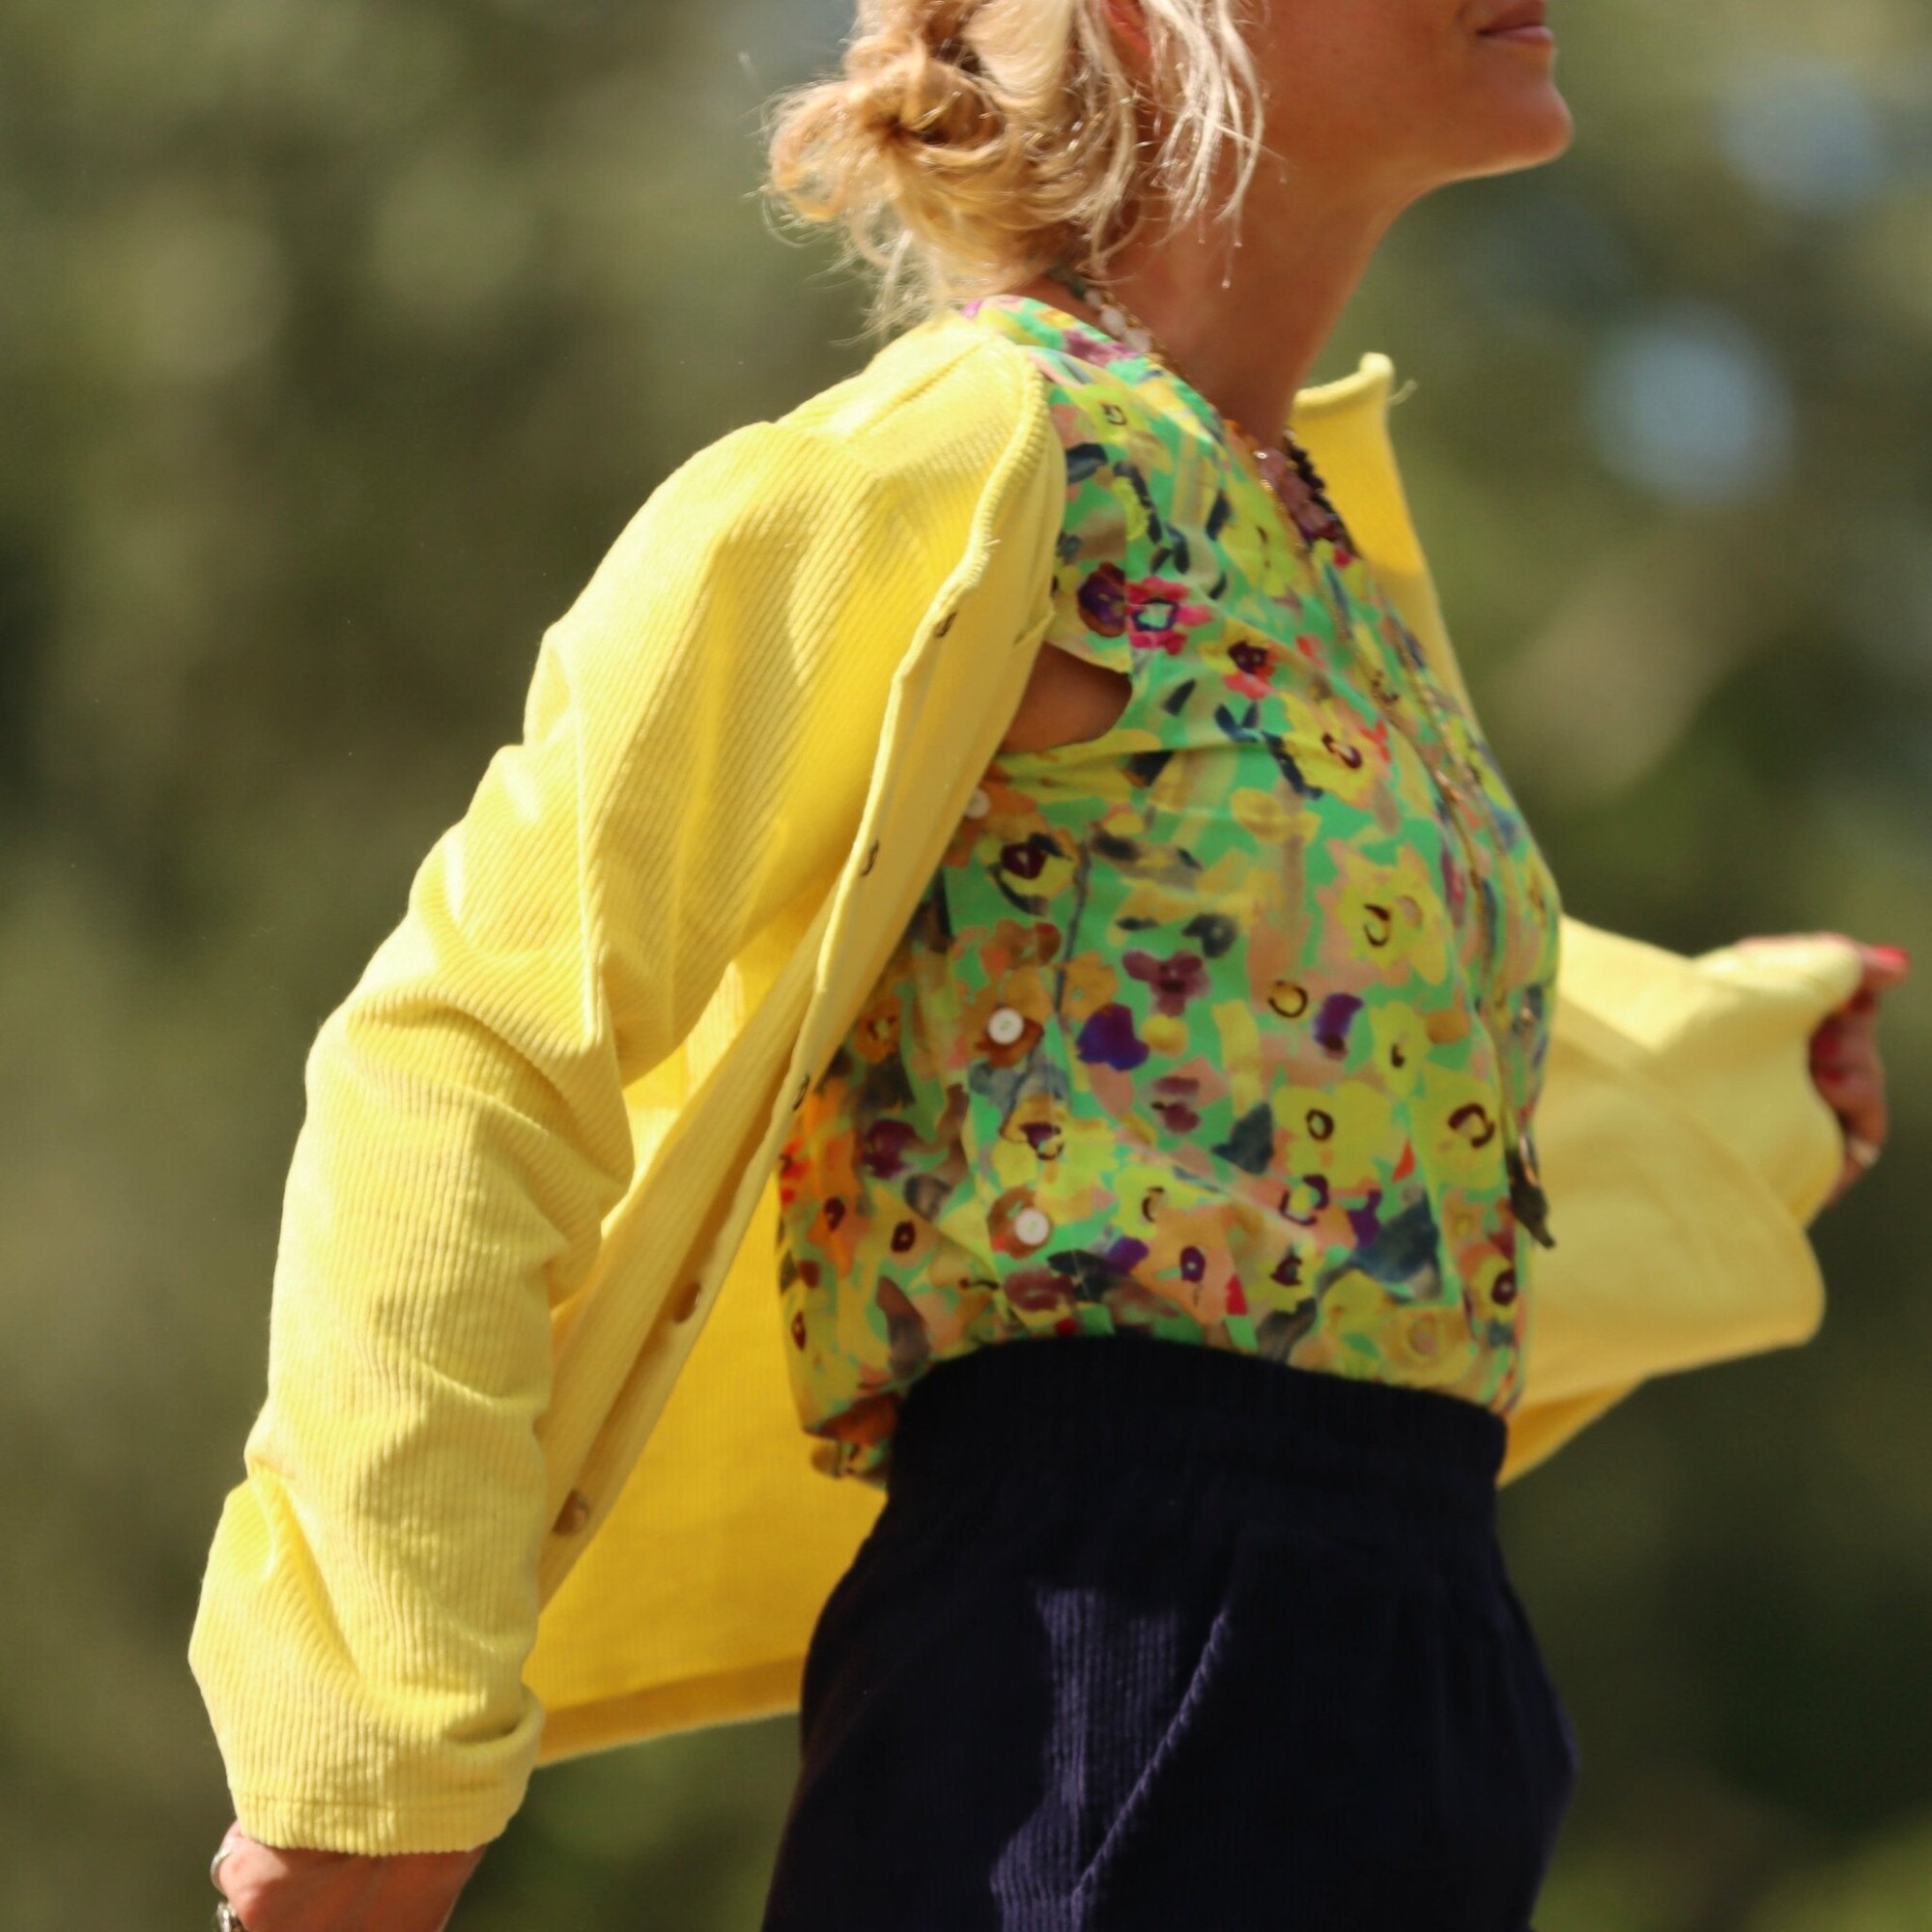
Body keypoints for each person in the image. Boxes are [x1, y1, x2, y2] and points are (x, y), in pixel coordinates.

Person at [196, 1, 1908, 1927]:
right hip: (1109, 1661)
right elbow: (467, 1052)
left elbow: (1325, 1064)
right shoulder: (959, 459)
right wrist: (369, 1751)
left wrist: (1744, 1083)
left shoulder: (1301, 529)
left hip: (1423, 1668)